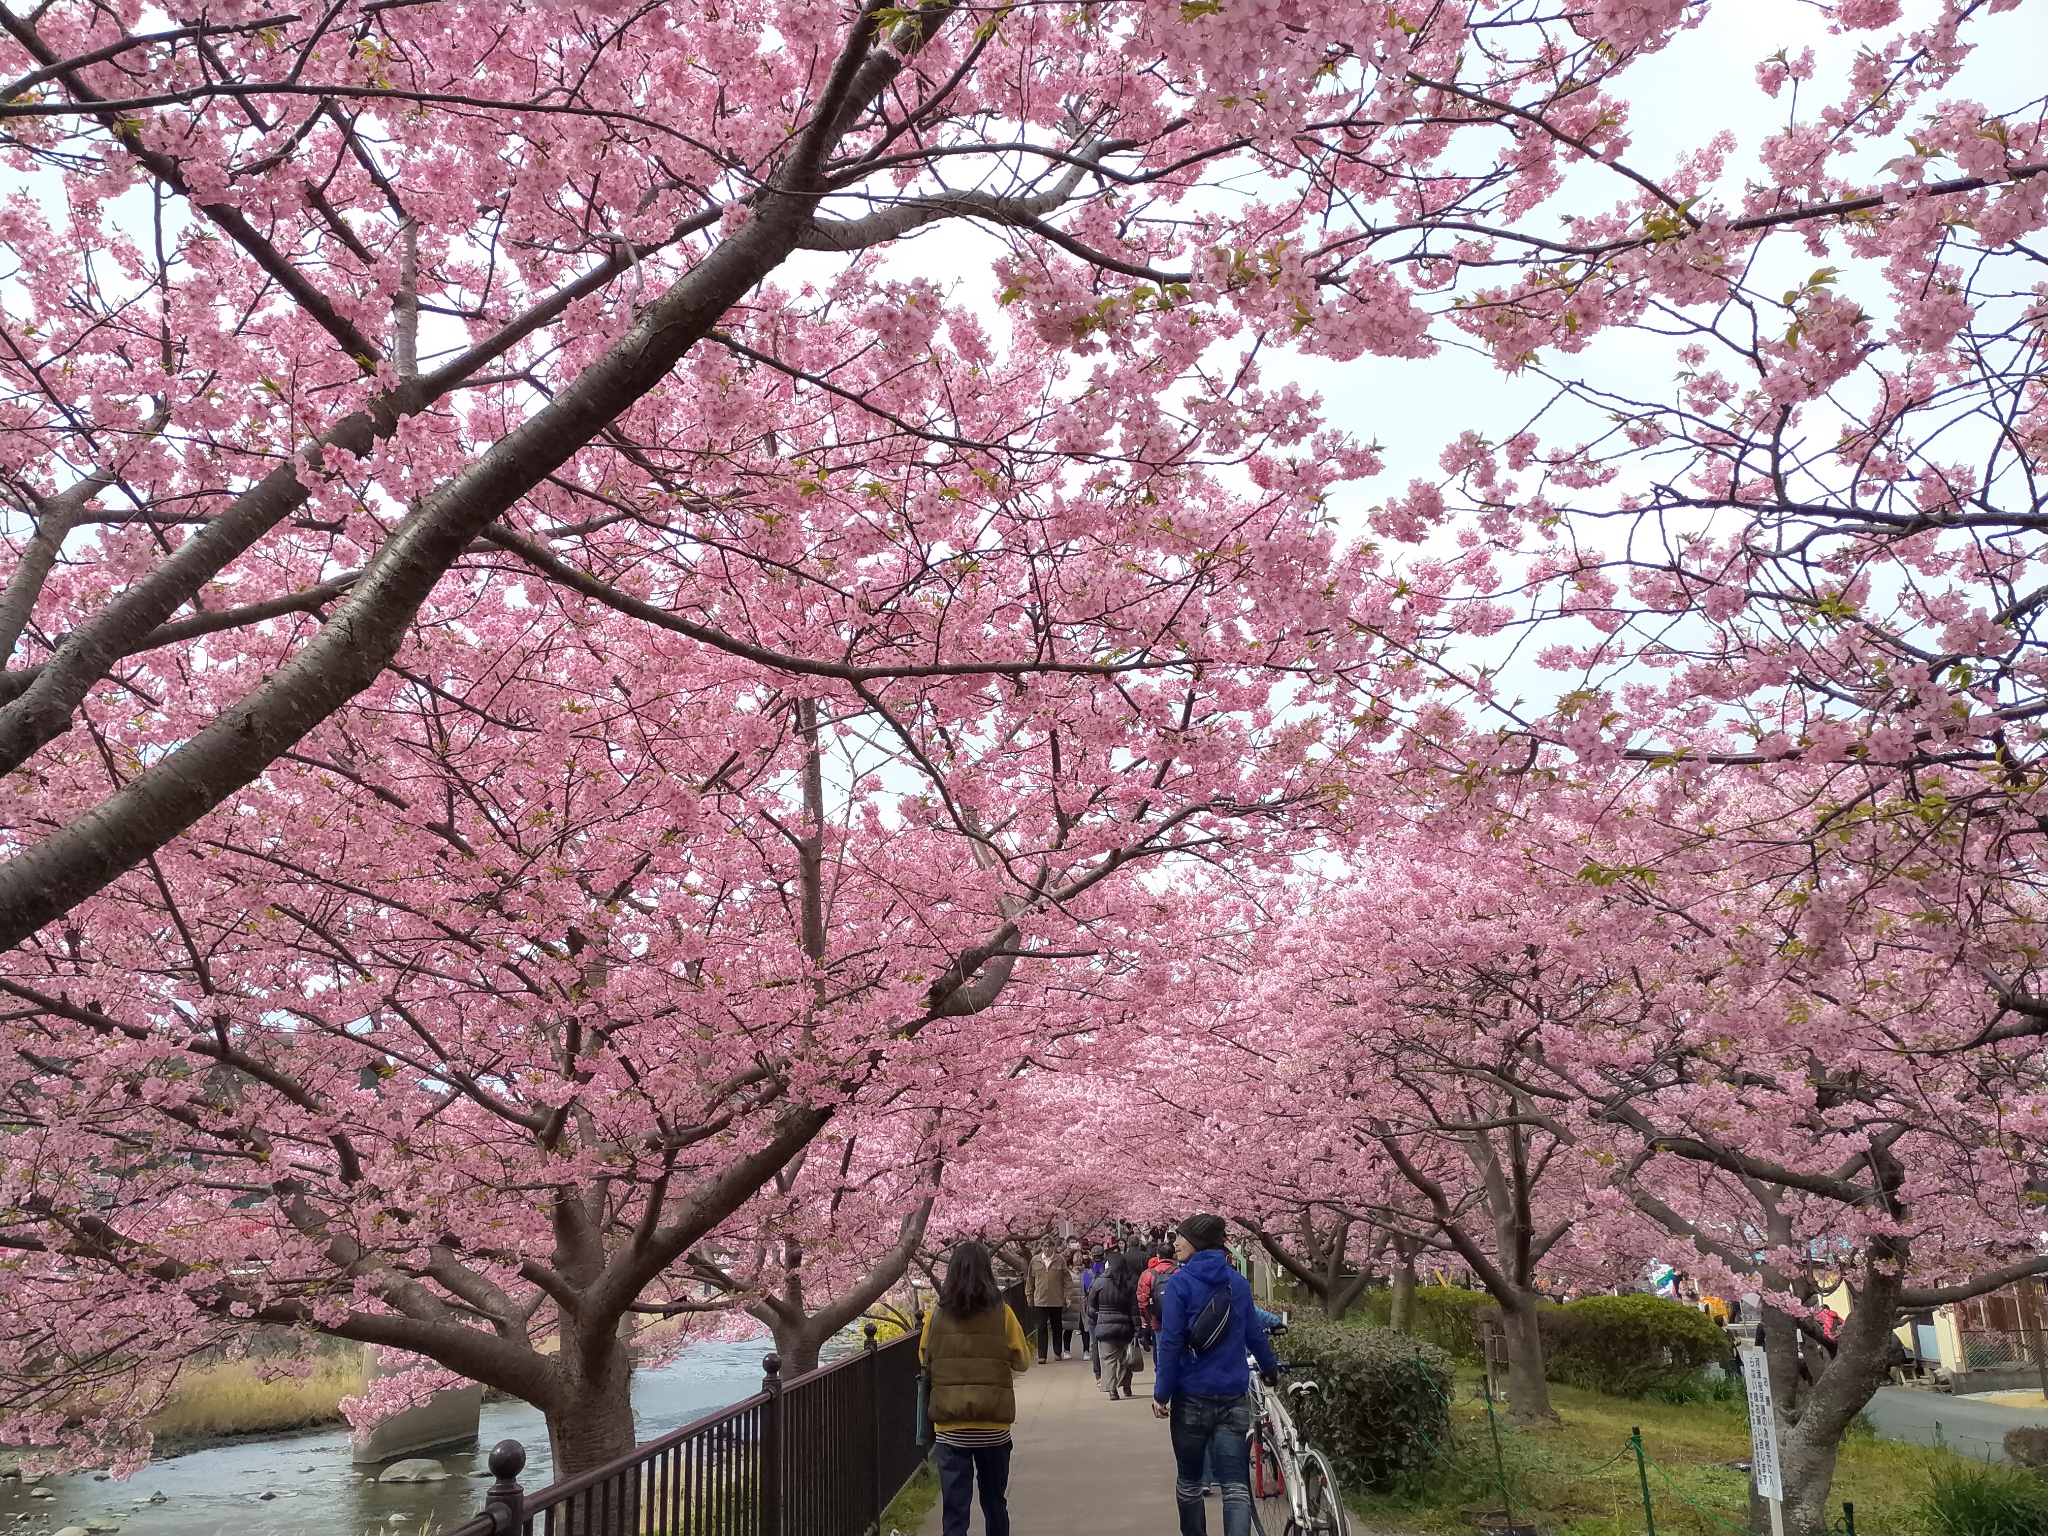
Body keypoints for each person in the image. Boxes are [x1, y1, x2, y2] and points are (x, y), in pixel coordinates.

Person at [1152, 1213, 1280, 1536]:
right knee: (1235, 1485)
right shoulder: (1236, 1282)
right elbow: (1255, 1334)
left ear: (1196, 1243)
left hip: (1190, 1397)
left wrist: (1161, 1393)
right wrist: (1270, 1368)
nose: (1175, 1243)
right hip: (1232, 1397)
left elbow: (1170, 1343)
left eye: (1181, 1237)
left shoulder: (1180, 1283)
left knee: (1190, 1482)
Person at [921, 1240, 1033, 1536]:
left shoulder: (935, 1317)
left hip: (950, 1426)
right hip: (993, 1424)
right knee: (995, 1502)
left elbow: (925, 1358)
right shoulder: (1003, 1313)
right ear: (987, 1272)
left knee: (955, 1510)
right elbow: (1021, 1360)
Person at [1086, 1250, 1142, 1399]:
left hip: (1105, 1325)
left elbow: (1091, 1304)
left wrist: (1098, 1315)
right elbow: (1134, 1309)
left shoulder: (1099, 1282)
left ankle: (1112, 1390)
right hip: (1125, 1326)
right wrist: (1137, 1329)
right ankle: (1126, 1386)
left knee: (1108, 1359)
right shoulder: (1129, 1283)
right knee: (1125, 1358)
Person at [1026, 1234, 1068, 1361]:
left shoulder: (1060, 1260)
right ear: (1041, 1247)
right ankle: (1042, 1355)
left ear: (1053, 1247)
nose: (1047, 1249)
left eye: (1049, 1246)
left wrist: (1068, 1296)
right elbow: (1030, 1280)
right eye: (1044, 1246)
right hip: (1040, 1299)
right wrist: (1029, 1295)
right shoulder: (1035, 1260)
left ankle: (1057, 1352)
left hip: (1056, 1299)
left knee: (1057, 1327)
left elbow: (1067, 1279)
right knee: (1041, 1327)